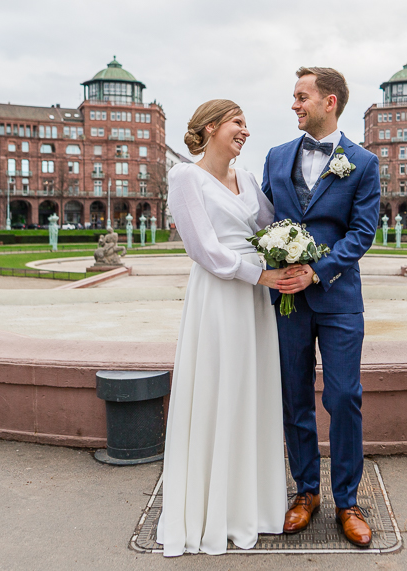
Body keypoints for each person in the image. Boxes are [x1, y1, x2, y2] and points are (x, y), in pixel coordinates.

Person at [157, 99, 292, 556]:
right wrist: (261, 275)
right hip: (219, 296)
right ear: (211, 127)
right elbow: (203, 250)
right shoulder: (185, 177)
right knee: (218, 388)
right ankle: (211, 510)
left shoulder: (248, 179)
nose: (245, 131)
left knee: (251, 391)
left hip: (254, 300)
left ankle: (251, 505)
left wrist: (294, 250)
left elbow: (273, 226)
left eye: (247, 124)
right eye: (238, 122)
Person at [262, 67, 381, 547]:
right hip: (286, 301)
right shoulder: (275, 157)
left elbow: (362, 233)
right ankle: (306, 492)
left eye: (301, 96)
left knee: (344, 397)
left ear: (329, 102)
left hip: (338, 299)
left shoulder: (363, 163)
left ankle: (348, 501)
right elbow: (261, 217)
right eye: (294, 97)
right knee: (294, 397)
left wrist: (317, 270)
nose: (294, 104)